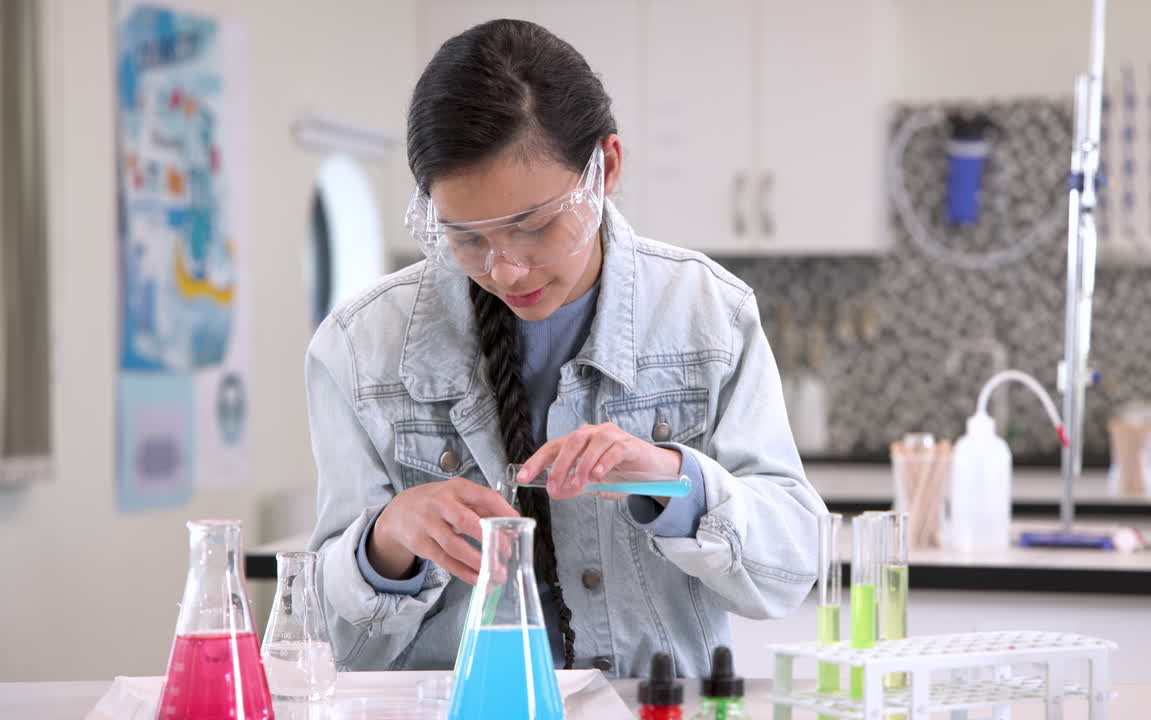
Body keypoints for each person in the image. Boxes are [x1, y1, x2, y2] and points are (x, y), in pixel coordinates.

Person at [305, 19, 824, 677]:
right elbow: (324, 641)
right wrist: (387, 544)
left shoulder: (709, 316)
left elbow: (789, 569)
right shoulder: (358, 348)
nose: (507, 270)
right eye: (467, 238)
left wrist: (675, 481)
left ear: (606, 166)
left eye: (536, 226)